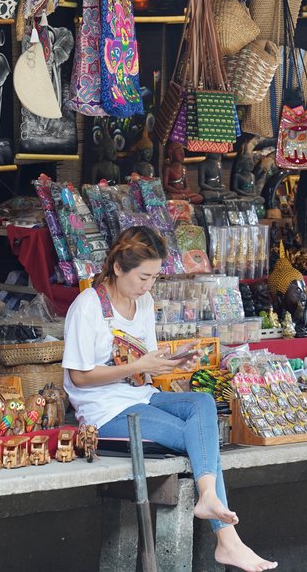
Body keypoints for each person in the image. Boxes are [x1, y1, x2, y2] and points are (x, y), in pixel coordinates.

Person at [62, 226, 277, 571]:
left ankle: (209, 499)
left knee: (202, 404)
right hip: (104, 413)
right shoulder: (87, 306)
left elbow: (146, 367)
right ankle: (228, 539)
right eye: (143, 277)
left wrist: (174, 361)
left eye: (154, 278)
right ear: (118, 267)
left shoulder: (143, 302)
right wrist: (141, 364)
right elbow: (79, 377)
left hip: (141, 396)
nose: (148, 287)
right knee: (195, 436)